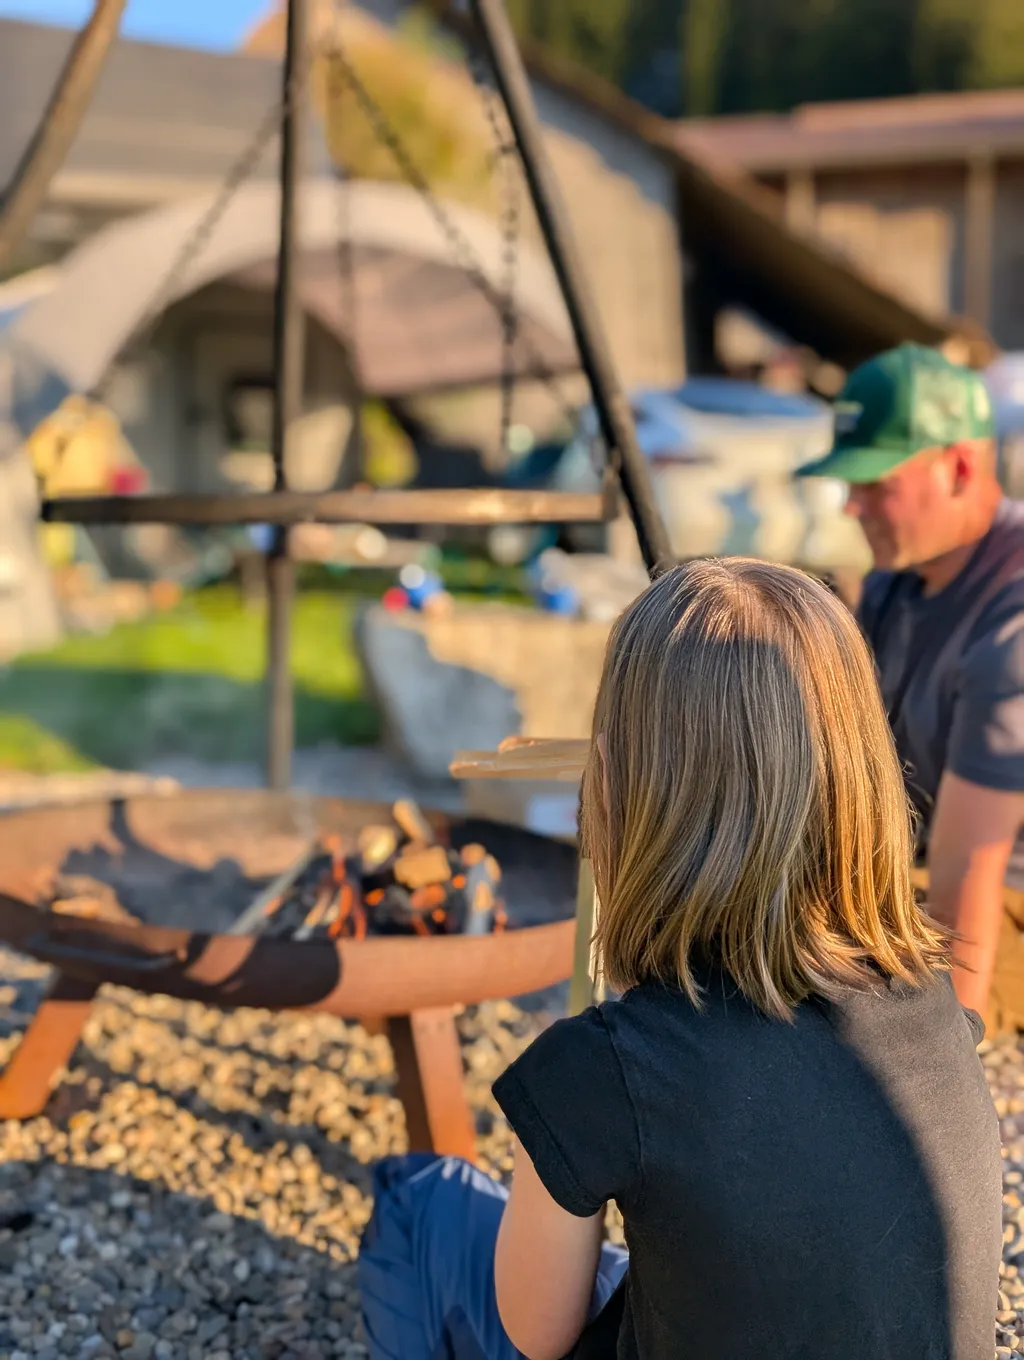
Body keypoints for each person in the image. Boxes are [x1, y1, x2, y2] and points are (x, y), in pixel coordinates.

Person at [360, 558, 1002, 1360]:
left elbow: (534, 1329)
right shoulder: (934, 1002)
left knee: (417, 1202)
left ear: (624, 786)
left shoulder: (607, 1068)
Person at [798, 342, 1024, 1016]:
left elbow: (968, 870)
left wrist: (947, 1071)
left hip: (1000, 913)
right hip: (915, 881)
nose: (851, 507)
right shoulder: (898, 583)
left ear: (958, 466)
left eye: (876, 484)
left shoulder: (1011, 629)